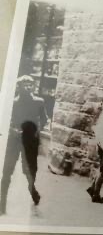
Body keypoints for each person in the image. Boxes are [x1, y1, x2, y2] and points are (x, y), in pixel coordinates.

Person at [0, 75, 48, 215]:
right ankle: (1, 202)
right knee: (7, 170)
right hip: (14, 140)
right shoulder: (12, 102)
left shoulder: (39, 102)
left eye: (31, 84)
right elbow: (4, 120)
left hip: (30, 141)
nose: (28, 87)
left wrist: (36, 131)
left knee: (30, 171)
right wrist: (11, 129)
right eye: (25, 84)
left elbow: (44, 119)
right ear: (19, 87)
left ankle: (32, 190)